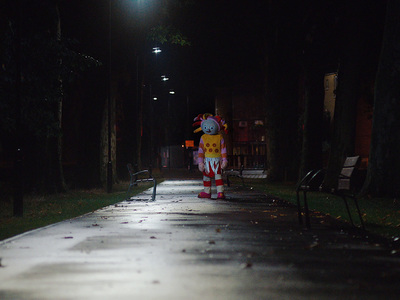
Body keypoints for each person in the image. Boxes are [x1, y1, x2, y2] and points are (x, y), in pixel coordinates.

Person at [193, 113, 228, 199]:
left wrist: (224, 160)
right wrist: (200, 162)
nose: (208, 129)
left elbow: (223, 149)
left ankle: (220, 192)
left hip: (217, 161)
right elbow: (201, 150)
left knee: (218, 176)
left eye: (211, 127)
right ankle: (207, 192)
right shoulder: (203, 137)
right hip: (207, 161)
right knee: (206, 177)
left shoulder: (219, 137)